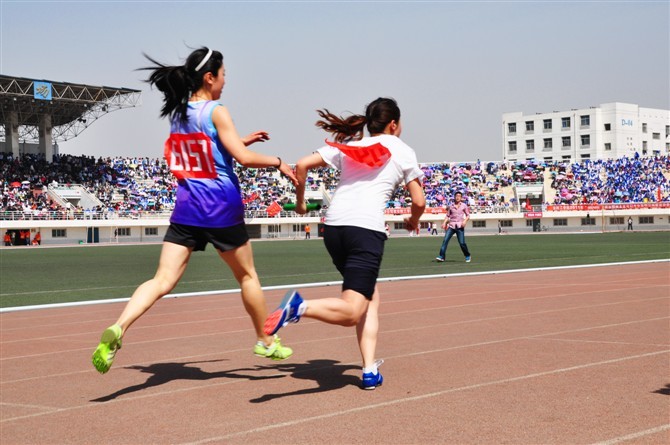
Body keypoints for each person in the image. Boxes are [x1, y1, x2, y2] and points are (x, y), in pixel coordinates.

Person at [91, 47, 298, 374]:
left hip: (188, 206)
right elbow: (241, 159)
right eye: (224, 75)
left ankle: (119, 327)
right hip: (221, 208)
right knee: (247, 275)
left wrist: (241, 140)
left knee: (161, 279)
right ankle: (266, 340)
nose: (226, 81)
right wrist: (278, 162)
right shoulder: (217, 111)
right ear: (209, 77)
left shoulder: (178, 113)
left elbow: (203, 148)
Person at [264, 97, 425, 389]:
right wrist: (414, 220)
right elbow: (419, 200)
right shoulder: (402, 150)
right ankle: (298, 308)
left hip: (334, 228)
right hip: (365, 229)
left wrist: (300, 203)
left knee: (368, 298)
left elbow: (301, 164)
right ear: (393, 124)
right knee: (352, 311)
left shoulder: (351, 145)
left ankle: (369, 370)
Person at [436, 191, 471, 263]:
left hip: (460, 226)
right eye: (456, 196)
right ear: (454, 197)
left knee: (462, 243)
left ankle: (467, 255)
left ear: (461, 198)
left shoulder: (464, 205)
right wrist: (444, 223)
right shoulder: (451, 206)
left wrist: (464, 221)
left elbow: (468, 215)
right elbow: (447, 216)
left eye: (459, 196)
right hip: (451, 226)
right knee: (445, 241)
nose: (458, 197)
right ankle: (441, 256)